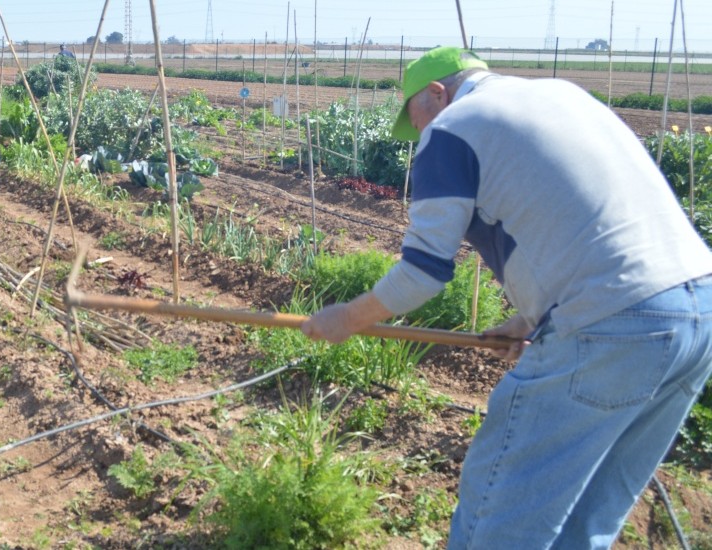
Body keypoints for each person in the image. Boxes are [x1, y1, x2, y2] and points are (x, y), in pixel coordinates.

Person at [300, 46, 712, 549]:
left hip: (611, 324)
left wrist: (350, 316)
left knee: (502, 512)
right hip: (695, 311)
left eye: (417, 119)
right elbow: (596, 229)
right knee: (585, 519)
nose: (419, 136)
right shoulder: (564, 96)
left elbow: (422, 272)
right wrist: (531, 321)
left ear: (438, 93)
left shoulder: (452, 127)